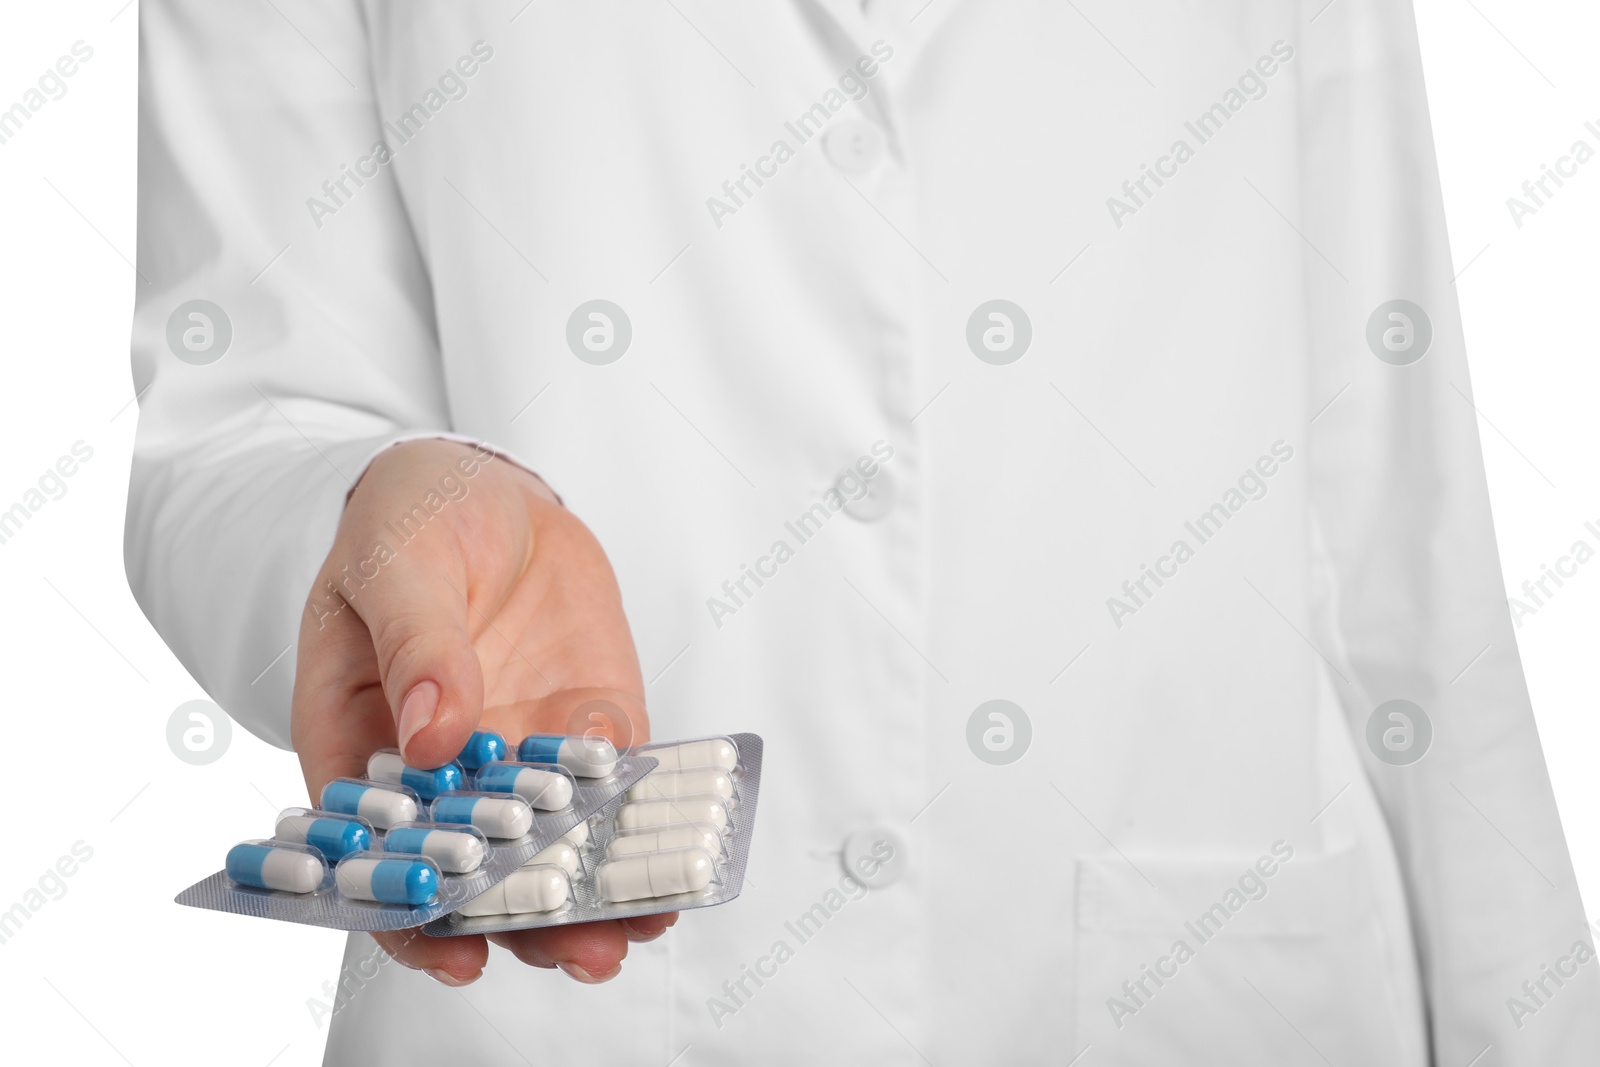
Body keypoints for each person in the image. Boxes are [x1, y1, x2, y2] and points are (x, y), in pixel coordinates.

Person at [127, 1, 1597, 1063]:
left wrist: (1532, 1022)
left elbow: (1393, 490)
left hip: (1213, 984)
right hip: (570, 1001)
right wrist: (378, 528)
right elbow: (245, 412)